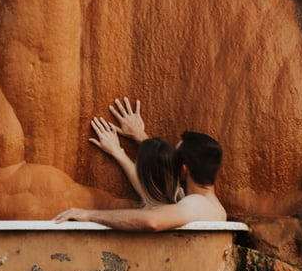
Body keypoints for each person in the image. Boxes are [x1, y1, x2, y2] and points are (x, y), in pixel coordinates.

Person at [54, 98, 227, 231]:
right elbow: (157, 190)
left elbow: (151, 221)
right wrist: (137, 138)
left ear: (183, 170)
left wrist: (90, 215)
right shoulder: (206, 203)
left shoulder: (197, 205)